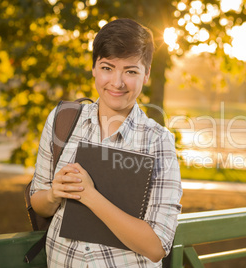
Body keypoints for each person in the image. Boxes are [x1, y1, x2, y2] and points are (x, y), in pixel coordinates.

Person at [30, 18, 182, 268]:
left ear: (146, 74)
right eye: (107, 68)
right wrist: (54, 195)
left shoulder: (158, 141)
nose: (117, 82)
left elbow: (156, 247)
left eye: (131, 71)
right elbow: (39, 202)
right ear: (93, 68)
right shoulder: (63, 120)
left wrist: (89, 195)